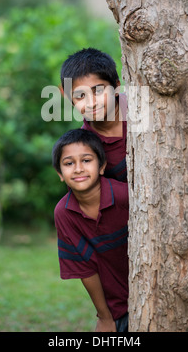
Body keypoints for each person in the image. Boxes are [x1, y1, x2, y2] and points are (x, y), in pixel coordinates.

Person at [52, 128, 129, 332]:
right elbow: (85, 269)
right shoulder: (64, 213)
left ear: (102, 166)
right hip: (116, 308)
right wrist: (104, 316)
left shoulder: (125, 196)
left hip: (151, 295)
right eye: (69, 163)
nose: (78, 169)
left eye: (86, 160)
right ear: (60, 174)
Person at [60, 48, 127, 183]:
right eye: (81, 96)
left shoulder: (143, 109)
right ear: (72, 101)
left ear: (116, 87)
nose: (92, 103)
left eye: (98, 91)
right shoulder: (82, 147)